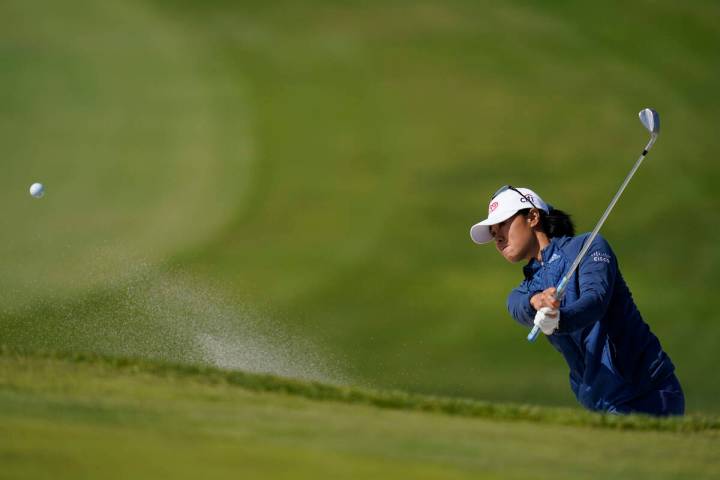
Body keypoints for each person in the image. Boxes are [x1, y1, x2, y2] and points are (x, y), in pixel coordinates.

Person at [469, 185, 684, 416]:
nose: (498, 237)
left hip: (647, 393)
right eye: (492, 232)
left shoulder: (588, 247)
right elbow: (516, 305)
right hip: (602, 405)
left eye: (503, 223)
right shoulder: (527, 288)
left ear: (532, 217)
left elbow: (595, 302)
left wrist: (558, 320)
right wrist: (536, 302)